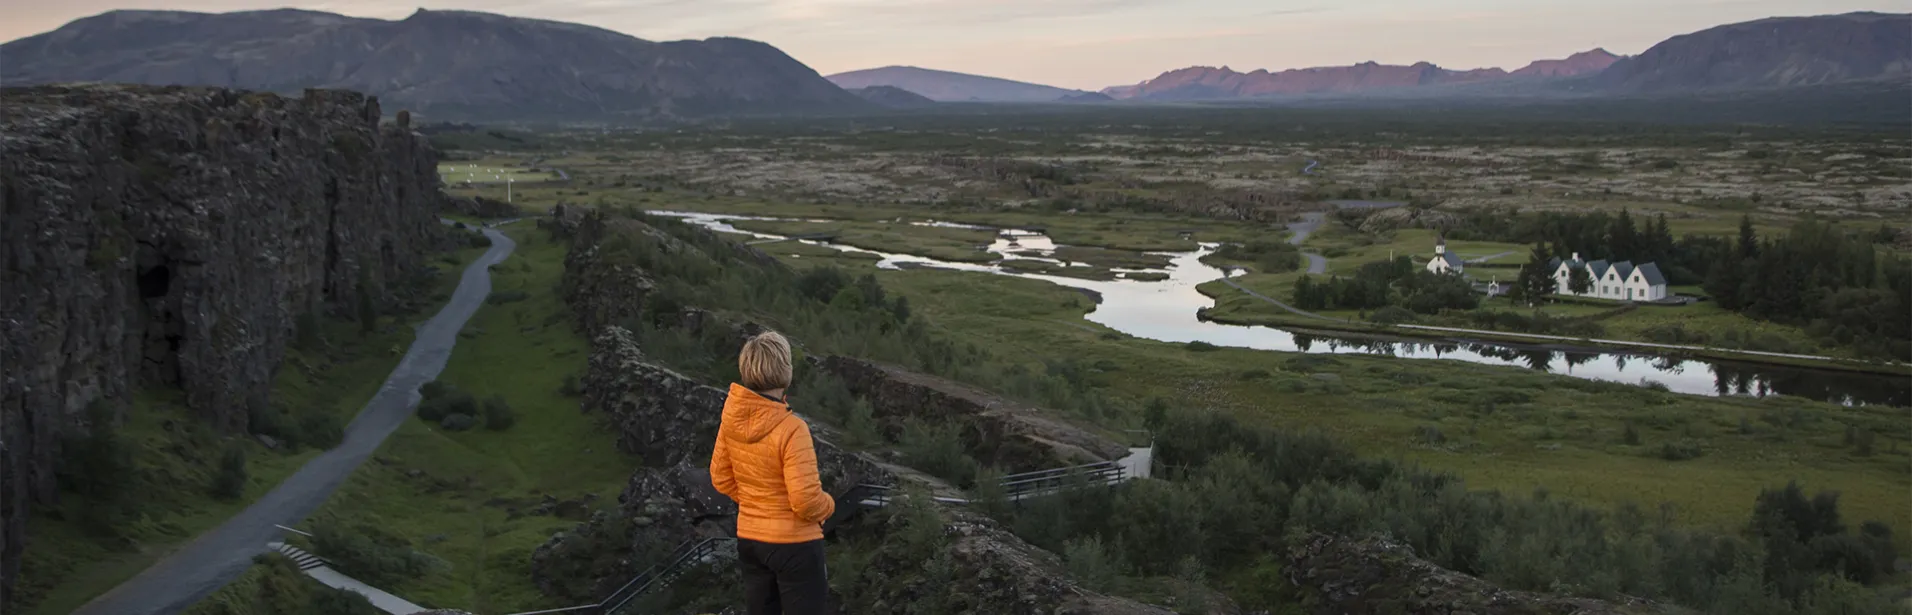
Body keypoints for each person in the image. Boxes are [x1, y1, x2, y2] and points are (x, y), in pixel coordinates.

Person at [710, 331, 835, 615]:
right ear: (785, 370)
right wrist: (828, 505)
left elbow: (720, 477)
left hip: (751, 541)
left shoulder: (731, 419)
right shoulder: (792, 428)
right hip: (795, 545)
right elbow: (804, 500)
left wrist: (759, 504)